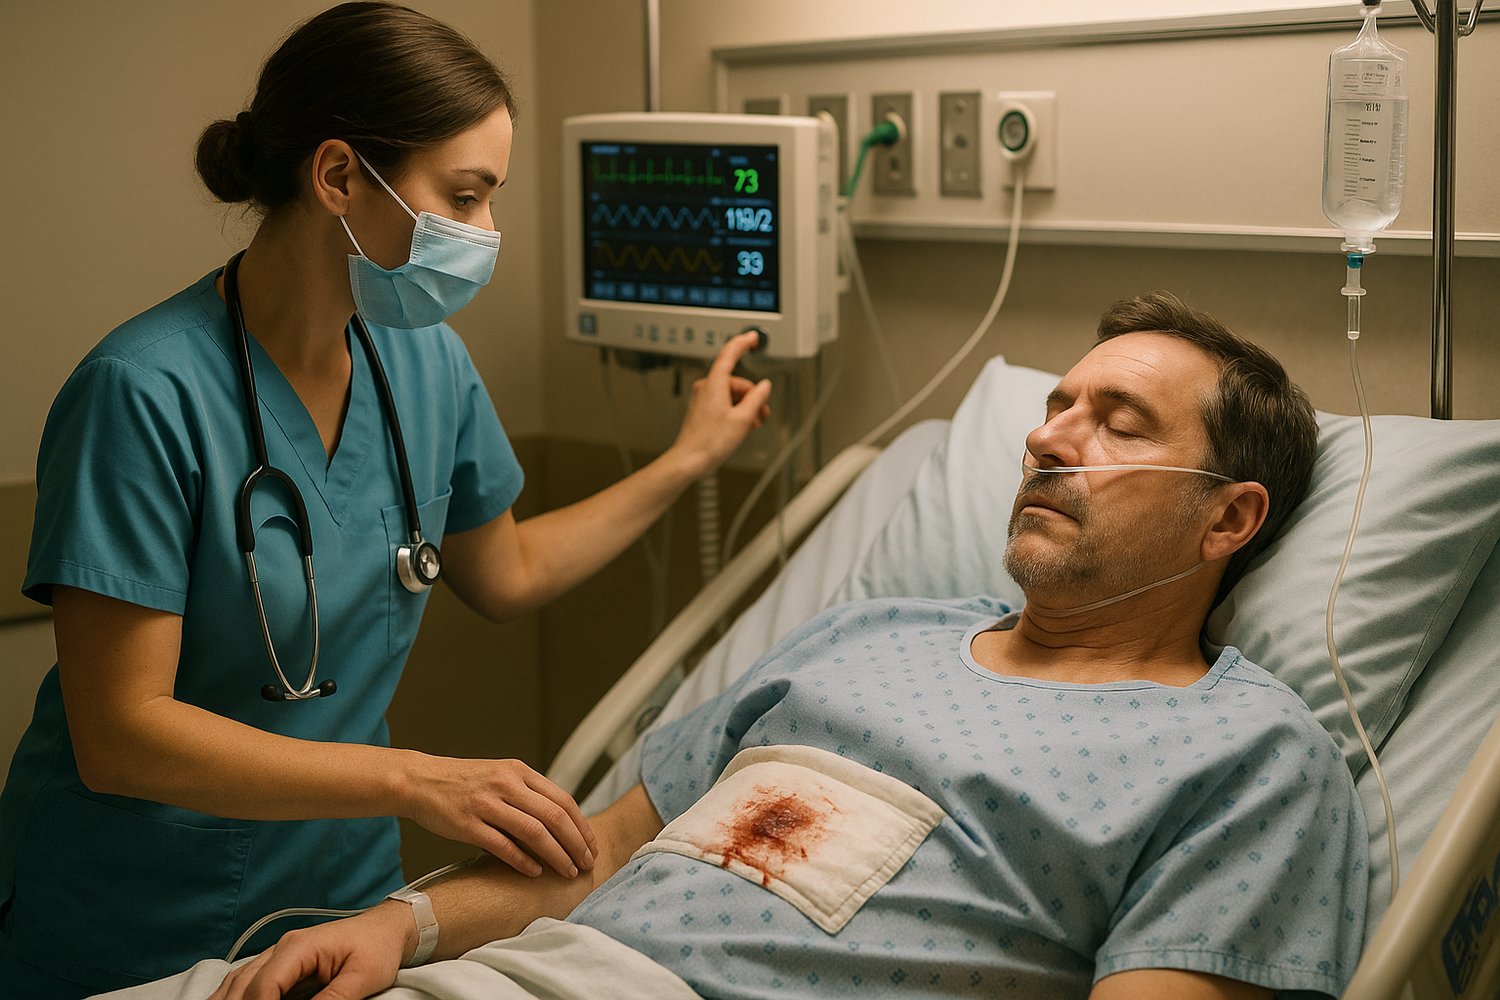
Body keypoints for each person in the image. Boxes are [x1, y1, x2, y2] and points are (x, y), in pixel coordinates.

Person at [118, 291, 1368, 1000]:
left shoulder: (1245, 756)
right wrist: (402, 925)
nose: (1050, 439)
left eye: (1119, 422)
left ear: (1230, 516)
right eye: (1054, 407)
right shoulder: (865, 634)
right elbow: (592, 855)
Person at [0, 3, 773, 996]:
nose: (487, 233)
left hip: (341, 906)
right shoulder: (143, 391)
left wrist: (685, 460)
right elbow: (120, 732)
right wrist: (417, 779)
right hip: (135, 918)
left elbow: (509, 571)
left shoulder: (425, 365)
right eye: (465, 195)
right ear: (337, 177)